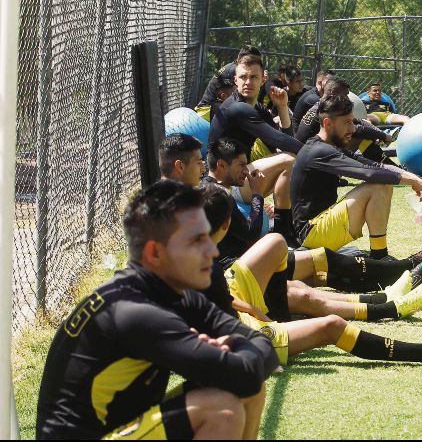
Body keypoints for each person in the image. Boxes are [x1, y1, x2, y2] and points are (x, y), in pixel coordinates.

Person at [35, 180, 279, 440]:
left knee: (243, 390)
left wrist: (237, 356)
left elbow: (262, 350)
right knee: (220, 409)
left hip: (118, 430)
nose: (212, 249)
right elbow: (247, 370)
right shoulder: (135, 313)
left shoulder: (175, 295)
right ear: (155, 253)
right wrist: (235, 354)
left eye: (208, 236)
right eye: (197, 241)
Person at [198, 182, 422, 367]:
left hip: (234, 293)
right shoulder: (195, 265)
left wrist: (259, 310)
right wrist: (260, 321)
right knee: (331, 325)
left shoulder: (191, 248)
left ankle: (381, 296)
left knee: (276, 242)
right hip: (242, 334)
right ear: (226, 223)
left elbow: (219, 299)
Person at [202, 138, 422, 320]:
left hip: (248, 263)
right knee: (317, 269)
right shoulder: (217, 194)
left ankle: (388, 290)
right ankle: (398, 278)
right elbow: (250, 234)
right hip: (244, 267)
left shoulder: (212, 189)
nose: (247, 170)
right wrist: (256, 193)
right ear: (221, 165)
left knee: (315, 275)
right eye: (242, 165)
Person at [292, 94, 422, 257]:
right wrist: (410, 180)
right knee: (378, 184)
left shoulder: (327, 147)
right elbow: (368, 173)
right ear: (328, 123)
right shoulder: (319, 151)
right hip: (310, 235)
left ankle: (380, 256)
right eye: (347, 123)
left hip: (320, 229)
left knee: (382, 180)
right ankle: (380, 256)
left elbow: (370, 163)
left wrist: (410, 176)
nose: (352, 129)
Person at [210, 53, 304, 246]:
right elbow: (281, 141)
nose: (248, 82)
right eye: (243, 77)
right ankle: (283, 230)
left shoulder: (257, 108)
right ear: (235, 80)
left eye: (253, 77)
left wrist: (283, 107)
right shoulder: (237, 108)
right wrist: (318, 156)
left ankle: (285, 227)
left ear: (264, 78)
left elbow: (284, 140)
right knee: (289, 160)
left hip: (241, 178)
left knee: (289, 158)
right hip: (225, 184)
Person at [295, 77, 397, 167]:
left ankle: (386, 166)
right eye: (345, 94)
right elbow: (357, 130)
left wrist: (377, 131)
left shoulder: (323, 105)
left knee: (363, 131)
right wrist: (383, 136)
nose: (347, 98)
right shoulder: (328, 109)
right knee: (358, 136)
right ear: (333, 93)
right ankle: (387, 167)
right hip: (311, 158)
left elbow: (357, 121)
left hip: (311, 152)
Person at [292, 68, 335, 134]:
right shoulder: (312, 98)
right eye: (330, 82)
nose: (333, 85)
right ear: (320, 83)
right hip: (298, 138)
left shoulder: (317, 95)